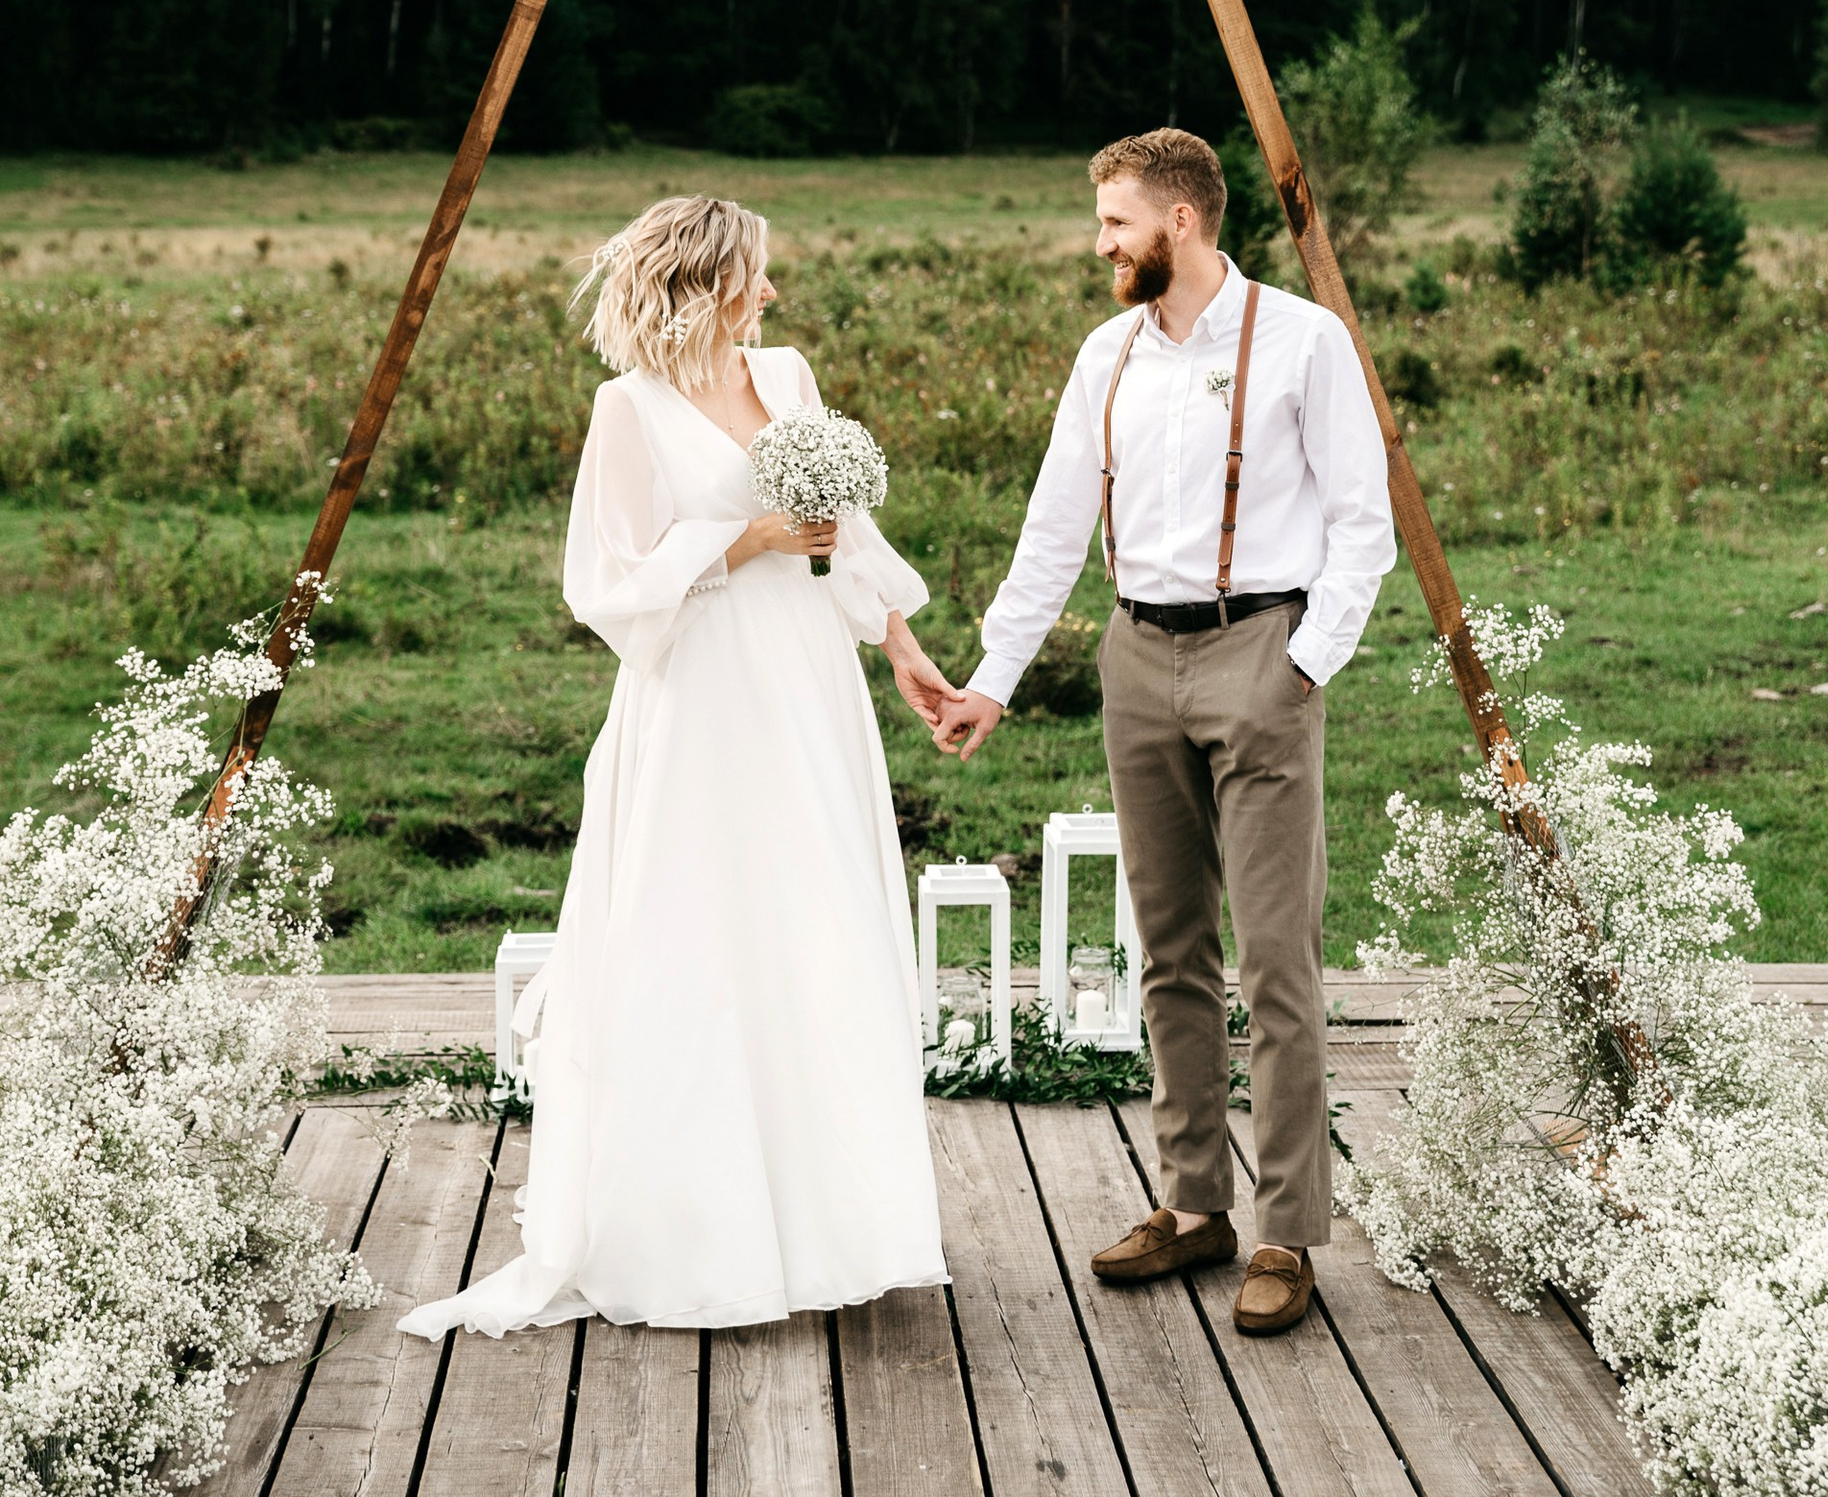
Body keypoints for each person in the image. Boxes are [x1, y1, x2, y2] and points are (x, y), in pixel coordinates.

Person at [401, 194, 955, 1339]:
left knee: (818, 924)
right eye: (756, 276)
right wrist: (747, 539)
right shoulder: (630, 408)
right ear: (704, 285)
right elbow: (608, 579)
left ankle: (835, 1226)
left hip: (807, 683)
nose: (773, 294)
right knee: (699, 930)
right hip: (701, 695)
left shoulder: (788, 377)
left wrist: (902, 646)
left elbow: (849, 537)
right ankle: (703, 1231)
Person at [933, 128, 1394, 1336]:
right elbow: (1052, 527)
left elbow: (1365, 523)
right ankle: (1196, 1206)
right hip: (1138, 657)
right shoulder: (1109, 355)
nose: (1101, 245)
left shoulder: (1304, 341)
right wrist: (993, 681)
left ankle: (1286, 1230)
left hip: (1261, 651)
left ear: (1179, 222)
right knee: (1170, 950)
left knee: (1277, 959)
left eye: (1115, 223)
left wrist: (1303, 664)